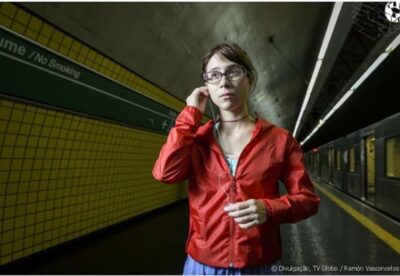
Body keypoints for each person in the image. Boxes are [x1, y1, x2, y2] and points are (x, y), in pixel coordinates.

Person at [152, 42, 320, 275]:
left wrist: (269, 209)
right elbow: (165, 173)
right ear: (207, 86)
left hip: (259, 264)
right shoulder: (197, 139)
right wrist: (190, 115)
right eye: (214, 75)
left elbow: (308, 200)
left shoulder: (280, 140)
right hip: (203, 264)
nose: (223, 81)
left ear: (250, 80)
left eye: (233, 72)